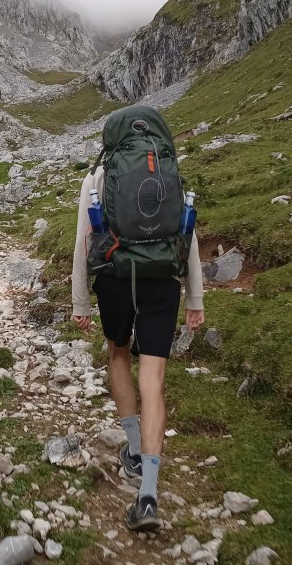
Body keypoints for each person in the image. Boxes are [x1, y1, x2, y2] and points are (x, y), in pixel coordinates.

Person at [70, 107, 204, 532]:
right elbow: (188, 236)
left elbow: (83, 241)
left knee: (118, 355)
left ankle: (131, 450)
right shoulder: (167, 170)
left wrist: (80, 303)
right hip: (162, 281)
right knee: (155, 380)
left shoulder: (97, 178)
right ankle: (148, 492)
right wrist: (194, 297)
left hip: (113, 280)